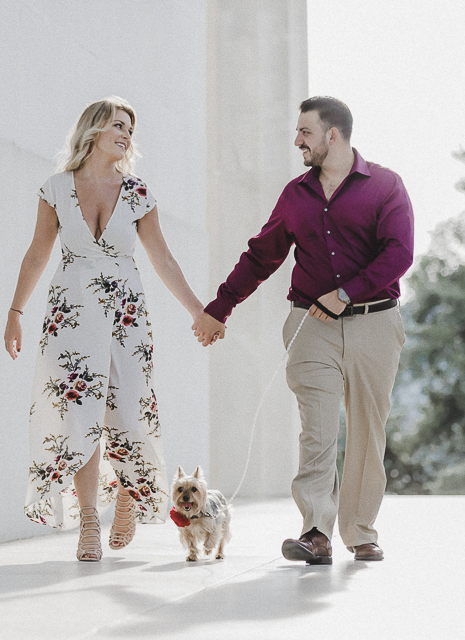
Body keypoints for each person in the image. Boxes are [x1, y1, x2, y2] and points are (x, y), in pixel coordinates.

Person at [193, 96, 413, 564]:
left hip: (375, 321)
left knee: (367, 429)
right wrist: (220, 307)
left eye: (305, 133)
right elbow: (262, 255)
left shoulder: (386, 186)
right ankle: (316, 531)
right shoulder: (296, 194)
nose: (297, 141)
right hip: (310, 324)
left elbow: (398, 254)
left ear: (332, 135)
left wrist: (346, 293)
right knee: (316, 428)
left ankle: (361, 532)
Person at [5, 96, 205, 561]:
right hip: (70, 315)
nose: (127, 135)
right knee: (79, 415)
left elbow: (163, 259)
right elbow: (37, 253)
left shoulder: (138, 193)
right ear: (94, 129)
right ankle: (90, 519)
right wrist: (15, 311)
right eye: (119, 125)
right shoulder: (55, 189)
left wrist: (198, 311)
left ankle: (129, 497)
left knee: (129, 407)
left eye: (131, 129)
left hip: (124, 314)